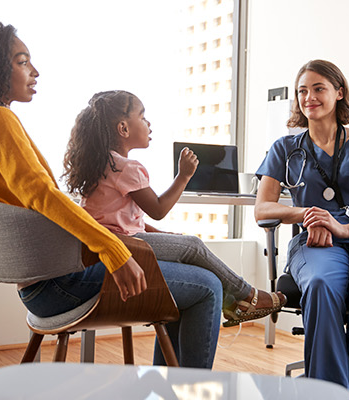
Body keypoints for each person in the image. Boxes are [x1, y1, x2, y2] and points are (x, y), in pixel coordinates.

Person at [0, 18, 223, 368]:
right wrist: (114, 252)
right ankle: (190, 389)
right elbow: (42, 196)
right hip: (63, 284)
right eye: (22, 61)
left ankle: (171, 386)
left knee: (189, 276)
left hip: (39, 289)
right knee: (208, 287)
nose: (35, 70)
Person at [253, 59, 349, 400]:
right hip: (316, 240)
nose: (309, 97)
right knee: (322, 284)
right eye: (302, 91)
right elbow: (262, 208)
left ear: (339, 93)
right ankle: (329, 393)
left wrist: (346, 229)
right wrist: (306, 214)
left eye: (318, 88)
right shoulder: (285, 148)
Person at [61, 90, 285, 327]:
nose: (149, 124)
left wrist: (163, 236)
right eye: (143, 117)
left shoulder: (102, 164)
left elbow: (126, 220)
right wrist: (184, 176)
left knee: (183, 245)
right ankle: (248, 296)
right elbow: (158, 209)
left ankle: (232, 304)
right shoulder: (126, 168)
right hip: (123, 245)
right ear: (123, 128)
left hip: (104, 245)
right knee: (193, 245)